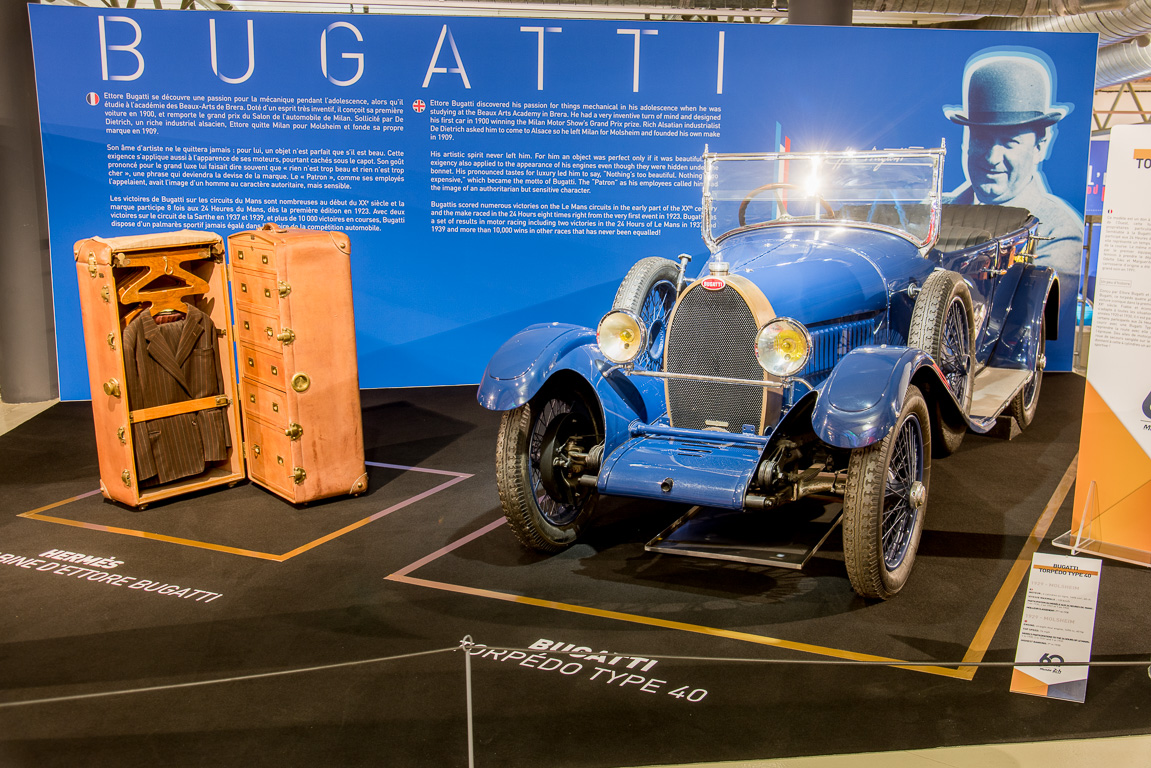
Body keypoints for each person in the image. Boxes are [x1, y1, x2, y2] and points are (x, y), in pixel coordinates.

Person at [943, 52, 1083, 276]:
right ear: (967, 141)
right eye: (981, 138)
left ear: (1040, 147)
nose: (992, 158)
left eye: (1010, 142)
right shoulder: (937, 212)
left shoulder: (1058, 234)